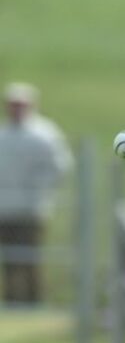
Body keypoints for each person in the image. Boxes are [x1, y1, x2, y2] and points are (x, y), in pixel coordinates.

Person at [0, 82, 73, 304]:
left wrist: (38, 188)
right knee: (10, 260)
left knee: (32, 258)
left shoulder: (45, 135)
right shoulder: (3, 135)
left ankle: (34, 301)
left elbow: (59, 166)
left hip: (32, 208)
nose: (17, 109)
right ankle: (13, 302)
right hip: (6, 208)